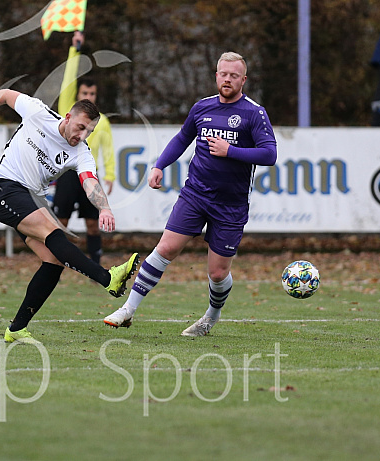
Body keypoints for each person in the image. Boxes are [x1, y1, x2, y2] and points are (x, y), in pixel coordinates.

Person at [103, 52, 277, 337]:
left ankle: (211, 316)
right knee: (167, 248)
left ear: (243, 80)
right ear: (216, 75)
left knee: (218, 273)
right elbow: (183, 137)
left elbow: (269, 154)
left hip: (231, 204)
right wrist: (160, 164)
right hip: (195, 193)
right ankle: (128, 309)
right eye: (223, 74)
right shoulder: (202, 107)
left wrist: (230, 151)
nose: (227, 79)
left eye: (234, 75)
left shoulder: (253, 113)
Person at [0, 91, 138, 344]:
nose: (82, 135)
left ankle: (16, 329)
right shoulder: (38, 112)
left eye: (89, 131)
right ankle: (107, 278)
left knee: (54, 260)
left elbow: (89, 181)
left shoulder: (81, 151)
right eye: (80, 127)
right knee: (53, 232)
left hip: (31, 200)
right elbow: (4, 95)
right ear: (67, 118)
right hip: (4, 188)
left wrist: (105, 208)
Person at [53, 31, 115, 264]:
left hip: (89, 176)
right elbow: (68, 79)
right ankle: (55, 264)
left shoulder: (103, 121)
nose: (89, 96)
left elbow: (108, 150)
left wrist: (109, 175)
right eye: (85, 93)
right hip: (68, 174)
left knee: (93, 223)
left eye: (93, 94)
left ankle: (95, 264)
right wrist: (75, 50)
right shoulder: (69, 110)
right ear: (78, 96)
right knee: (62, 222)